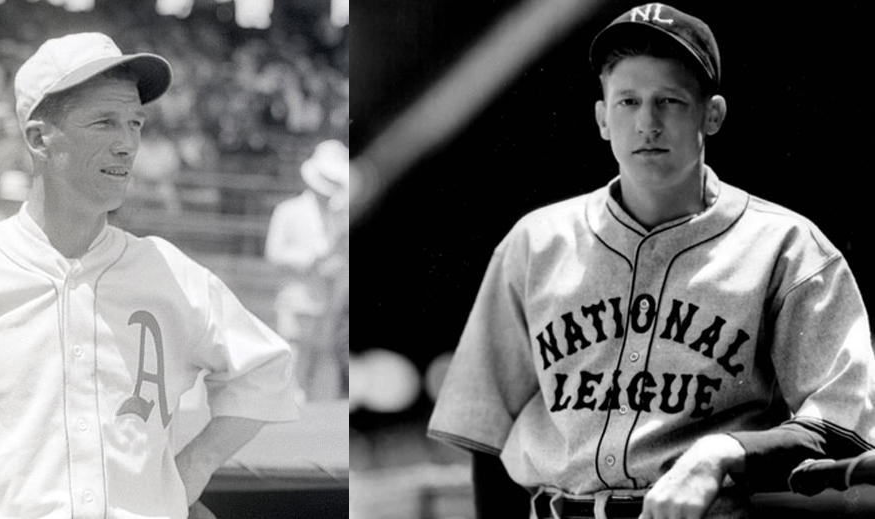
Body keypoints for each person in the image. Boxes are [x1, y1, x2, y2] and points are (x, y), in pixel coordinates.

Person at [427, 4, 875, 519]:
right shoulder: (535, 242)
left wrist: (723, 453)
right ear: (601, 118)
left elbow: (845, 423)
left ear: (713, 114)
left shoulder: (788, 247)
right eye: (628, 102)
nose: (647, 123)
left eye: (670, 101)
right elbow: (486, 430)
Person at [0, 32, 298, 519]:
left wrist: (193, 469)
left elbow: (267, 370)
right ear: (38, 137)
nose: (127, 144)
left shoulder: (166, 270)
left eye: (135, 123)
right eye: (105, 122)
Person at [264, 139, 349, 401]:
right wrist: (309, 260)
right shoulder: (288, 211)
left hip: (329, 303)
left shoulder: (340, 217)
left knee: (323, 369)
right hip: (297, 300)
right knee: (294, 365)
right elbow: (274, 253)